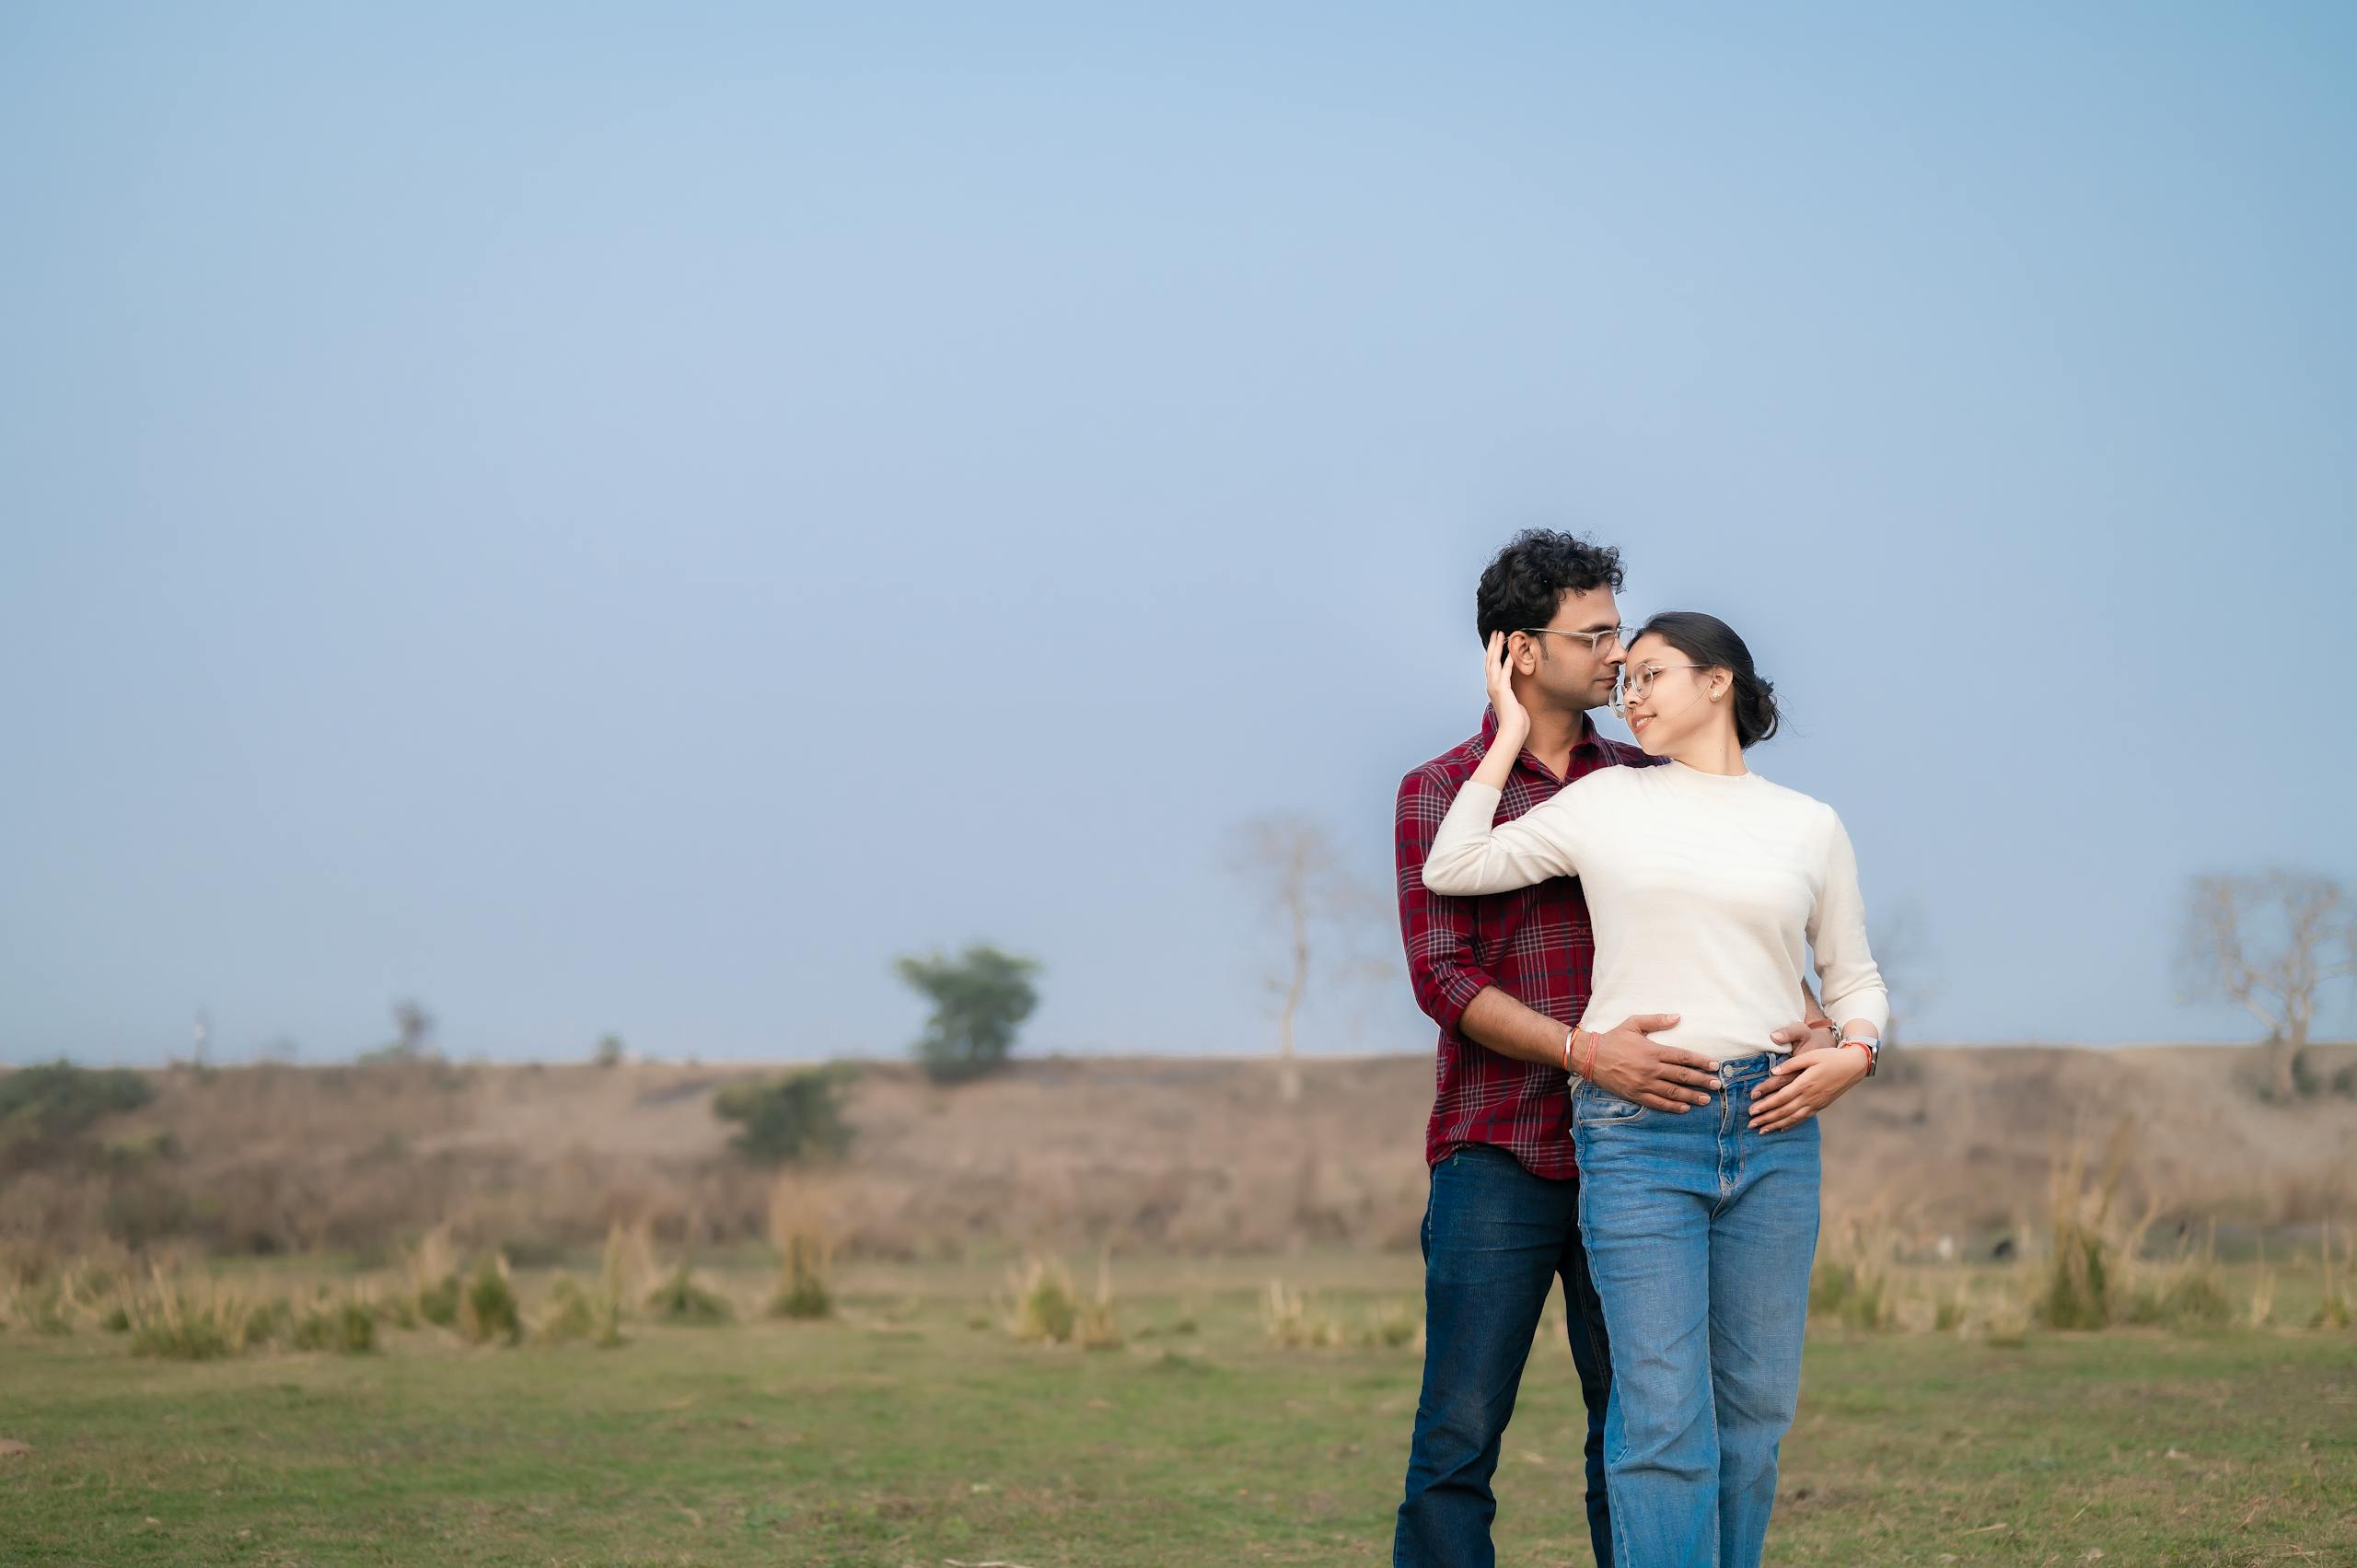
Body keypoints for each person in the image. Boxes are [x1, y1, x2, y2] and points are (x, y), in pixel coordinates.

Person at [1390, 532, 1835, 1568]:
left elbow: (1737, 927)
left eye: (1619, 635)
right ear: (1518, 653)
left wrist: (1806, 1012)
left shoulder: (1647, 778)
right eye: (1592, 636)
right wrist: (1587, 1051)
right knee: (1457, 1432)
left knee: (1641, 1423)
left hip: (1652, 1143)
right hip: (1498, 1149)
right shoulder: (1438, 788)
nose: (1615, 656)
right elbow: (1443, 979)